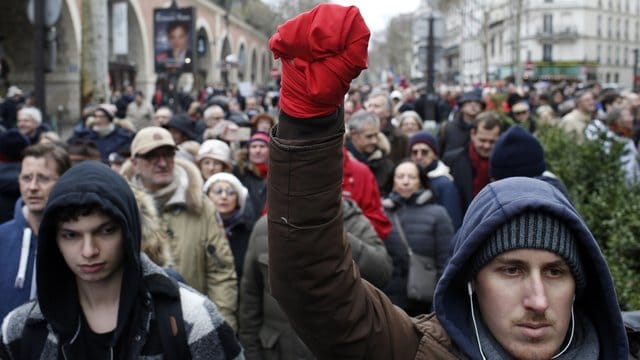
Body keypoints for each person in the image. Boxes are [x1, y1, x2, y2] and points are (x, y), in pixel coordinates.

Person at [264, 4, 628, 359]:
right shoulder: (418, 350)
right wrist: (308, 121)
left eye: (555, 271)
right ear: (471, 279)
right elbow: (314, 284)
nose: (537, 300)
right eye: (511, 269)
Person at [0, 161, 242, 359]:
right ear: (54, 240)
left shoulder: (191, 319)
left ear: (128, 232)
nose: (89, 251)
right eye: (71, 235)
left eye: (105, 231)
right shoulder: (21, 330)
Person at [239, 198, 392, 359]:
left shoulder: (353, 222)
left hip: (336, 350)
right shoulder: (265, 227)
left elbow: (382, 272)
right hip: (279, 351)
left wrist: (333, 234)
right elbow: (250, 303)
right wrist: (253, 354)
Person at [121, 126, 238, 330]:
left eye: (168, 154)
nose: (162, 162)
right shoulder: (120, 209)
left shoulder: (201, 206)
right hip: (136, 328)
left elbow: (221, 273)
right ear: (134, 163)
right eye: (151, 156)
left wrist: (221, 327)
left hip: (194, 325)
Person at [0, 143, 70, 321]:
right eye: (26, 178)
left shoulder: (77, 241)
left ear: (64, 181)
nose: (32, 187)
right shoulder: (2, 237)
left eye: (44, 179)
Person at [381, 160, 454, 316]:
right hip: (389, 300)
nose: (406, 181)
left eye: (412, 177)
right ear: (393, 181)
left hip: (425, 301)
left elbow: (446, 261)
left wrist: (438, 304)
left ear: (421, 182)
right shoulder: (381, 213)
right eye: (400, 177)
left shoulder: (438, 214)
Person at [442, 111, 502, 213]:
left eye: (492, 142)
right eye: (482, 140)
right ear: (472, 134)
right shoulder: (452, 160)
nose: (487, 146)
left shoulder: (506, 164)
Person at [203, 172, 254, 281]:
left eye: (230, 192)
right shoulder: (199, 227)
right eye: (217, 191)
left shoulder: (248, 231)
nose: (224, 196)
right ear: (207, 195)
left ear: (238, 199)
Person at [408, 130, 463, 229]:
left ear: (435, 154)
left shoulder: (445, 183)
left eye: (424, 152)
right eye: (414, 152)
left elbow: (453, 221)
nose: (419, 156)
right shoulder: (407, 179)